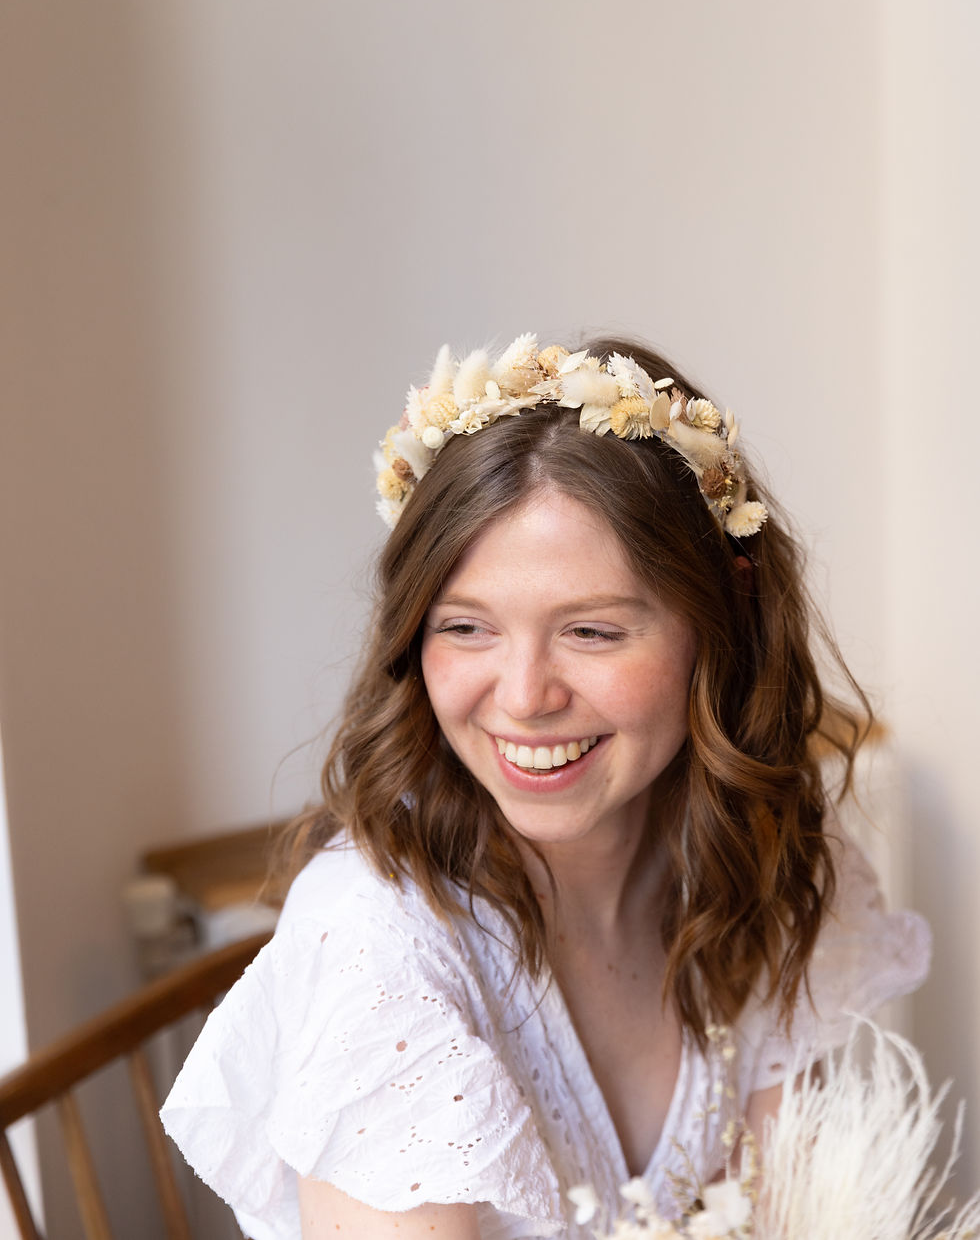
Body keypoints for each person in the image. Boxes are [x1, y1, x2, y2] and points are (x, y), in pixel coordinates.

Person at [161, 334, 929, 1240]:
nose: (524, 698)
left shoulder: (761, 854)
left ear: (720, 625)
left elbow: (792, 1218)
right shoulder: (376, 951)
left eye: (592, 632)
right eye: (467, 627)